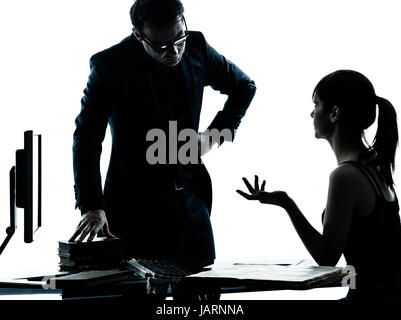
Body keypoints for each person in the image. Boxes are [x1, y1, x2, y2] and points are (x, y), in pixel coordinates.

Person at [70, 0, 256, 272]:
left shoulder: (196, 46)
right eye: (160, 46)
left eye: (179, 38)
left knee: (201, 303)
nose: (174, 51)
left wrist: (214, 135)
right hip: (133, 212)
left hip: (192, 205)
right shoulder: (109, 66)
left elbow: (244, 86)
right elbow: (86, 140)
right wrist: (91, 206)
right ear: (138, 35)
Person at [237, 70, 401, 300]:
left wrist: (287, 204)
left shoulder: (345, 176)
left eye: (316, 104)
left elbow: (327, 257)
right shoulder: (377, 167)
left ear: (334, 113)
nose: (311, 113)